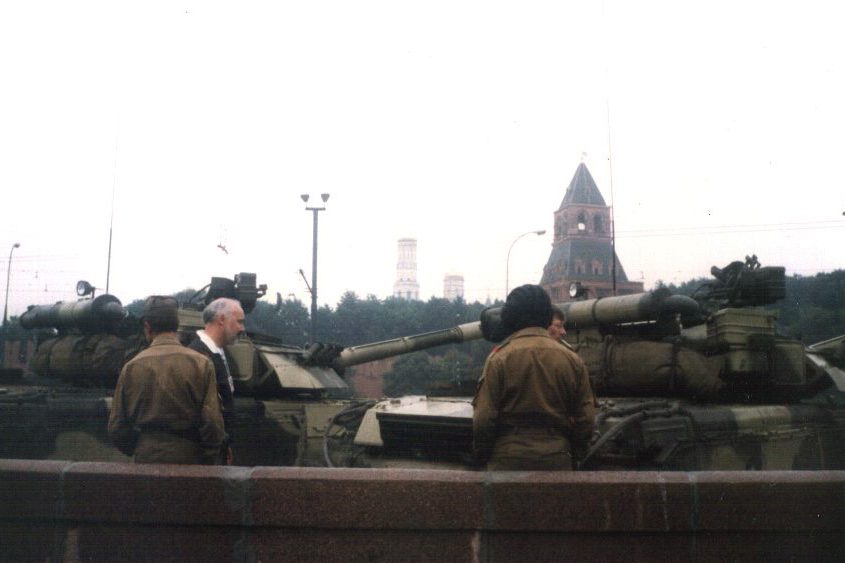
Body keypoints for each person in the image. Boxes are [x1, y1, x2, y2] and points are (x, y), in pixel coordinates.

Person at [472, 284, 595, 470]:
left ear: (511, 317)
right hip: (557, 459)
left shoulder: (498, 359)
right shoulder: (572, 359)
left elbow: (483, 420)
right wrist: (574, 453)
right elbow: (586, 419)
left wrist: (484, 455)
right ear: (547, 316)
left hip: (507, 462)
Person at [108, 296, 226, 464]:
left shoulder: (132, 366)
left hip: (146, 456)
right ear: (176, 326)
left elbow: (116, 426)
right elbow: (213, 423)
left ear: (147, 327)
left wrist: (140, 447)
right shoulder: (201, 363)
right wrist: (207, 454)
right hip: (190, 456)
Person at [187, 297, 245, 464]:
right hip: (204, 453)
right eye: (239, 322)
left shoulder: (218, 352)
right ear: (221, 319)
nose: (242, 328)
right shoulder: (198, 355)